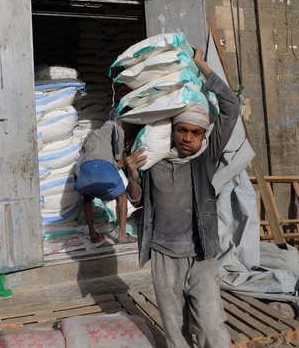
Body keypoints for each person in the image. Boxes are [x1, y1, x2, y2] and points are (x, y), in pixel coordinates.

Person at [125, 46, 239, 348]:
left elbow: (231, 107)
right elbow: (137, 201)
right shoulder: (155, 160)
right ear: (173, 131)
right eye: (182, 131)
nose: (187, 138)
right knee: (175, 331)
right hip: (164, 257)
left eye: (194, 133)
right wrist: (133, 176)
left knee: (212, 327)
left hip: (201, 255)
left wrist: (202, 66)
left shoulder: (205, 159)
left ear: (204, 136)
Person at [74, 119, 136, 244]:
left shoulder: (90, 134)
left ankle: (92, 233)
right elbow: (119, 144)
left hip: (85, 169)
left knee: (87, 197)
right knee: (122, 197)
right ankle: (123, 235)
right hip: (102, 166)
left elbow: (83, 151)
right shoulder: (114, 126)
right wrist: (119, 159)